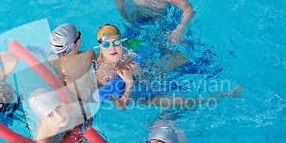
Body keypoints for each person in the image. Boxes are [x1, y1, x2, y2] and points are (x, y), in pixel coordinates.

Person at [95, 24, 241, 110]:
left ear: (122, 43)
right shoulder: (103, 75)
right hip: (141, 95)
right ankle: (226, 95)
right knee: (183, 101)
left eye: (116, 43)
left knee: (180, 58)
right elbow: (121, 106)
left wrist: (138, 66)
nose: (112, 48)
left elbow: (145, 58)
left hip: (150, 77)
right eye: (106, 45)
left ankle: (212, 62)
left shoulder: (128, 53)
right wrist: (129, 83)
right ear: (100, 48)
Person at [28, 88, 102, 143]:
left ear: (62, 103)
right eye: (50, 115)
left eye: (58, 108)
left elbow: (87, 111)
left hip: (72, 134)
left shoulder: (75, 107)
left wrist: (86, 128)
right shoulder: (43, 140)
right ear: (43, 120)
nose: (59, 116)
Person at [48, 23, 97, 105]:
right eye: (79, 34)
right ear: (77, 42)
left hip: (68, 100)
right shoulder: (87, 55)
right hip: (87, 99)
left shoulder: (53, 60)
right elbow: (98, 65)